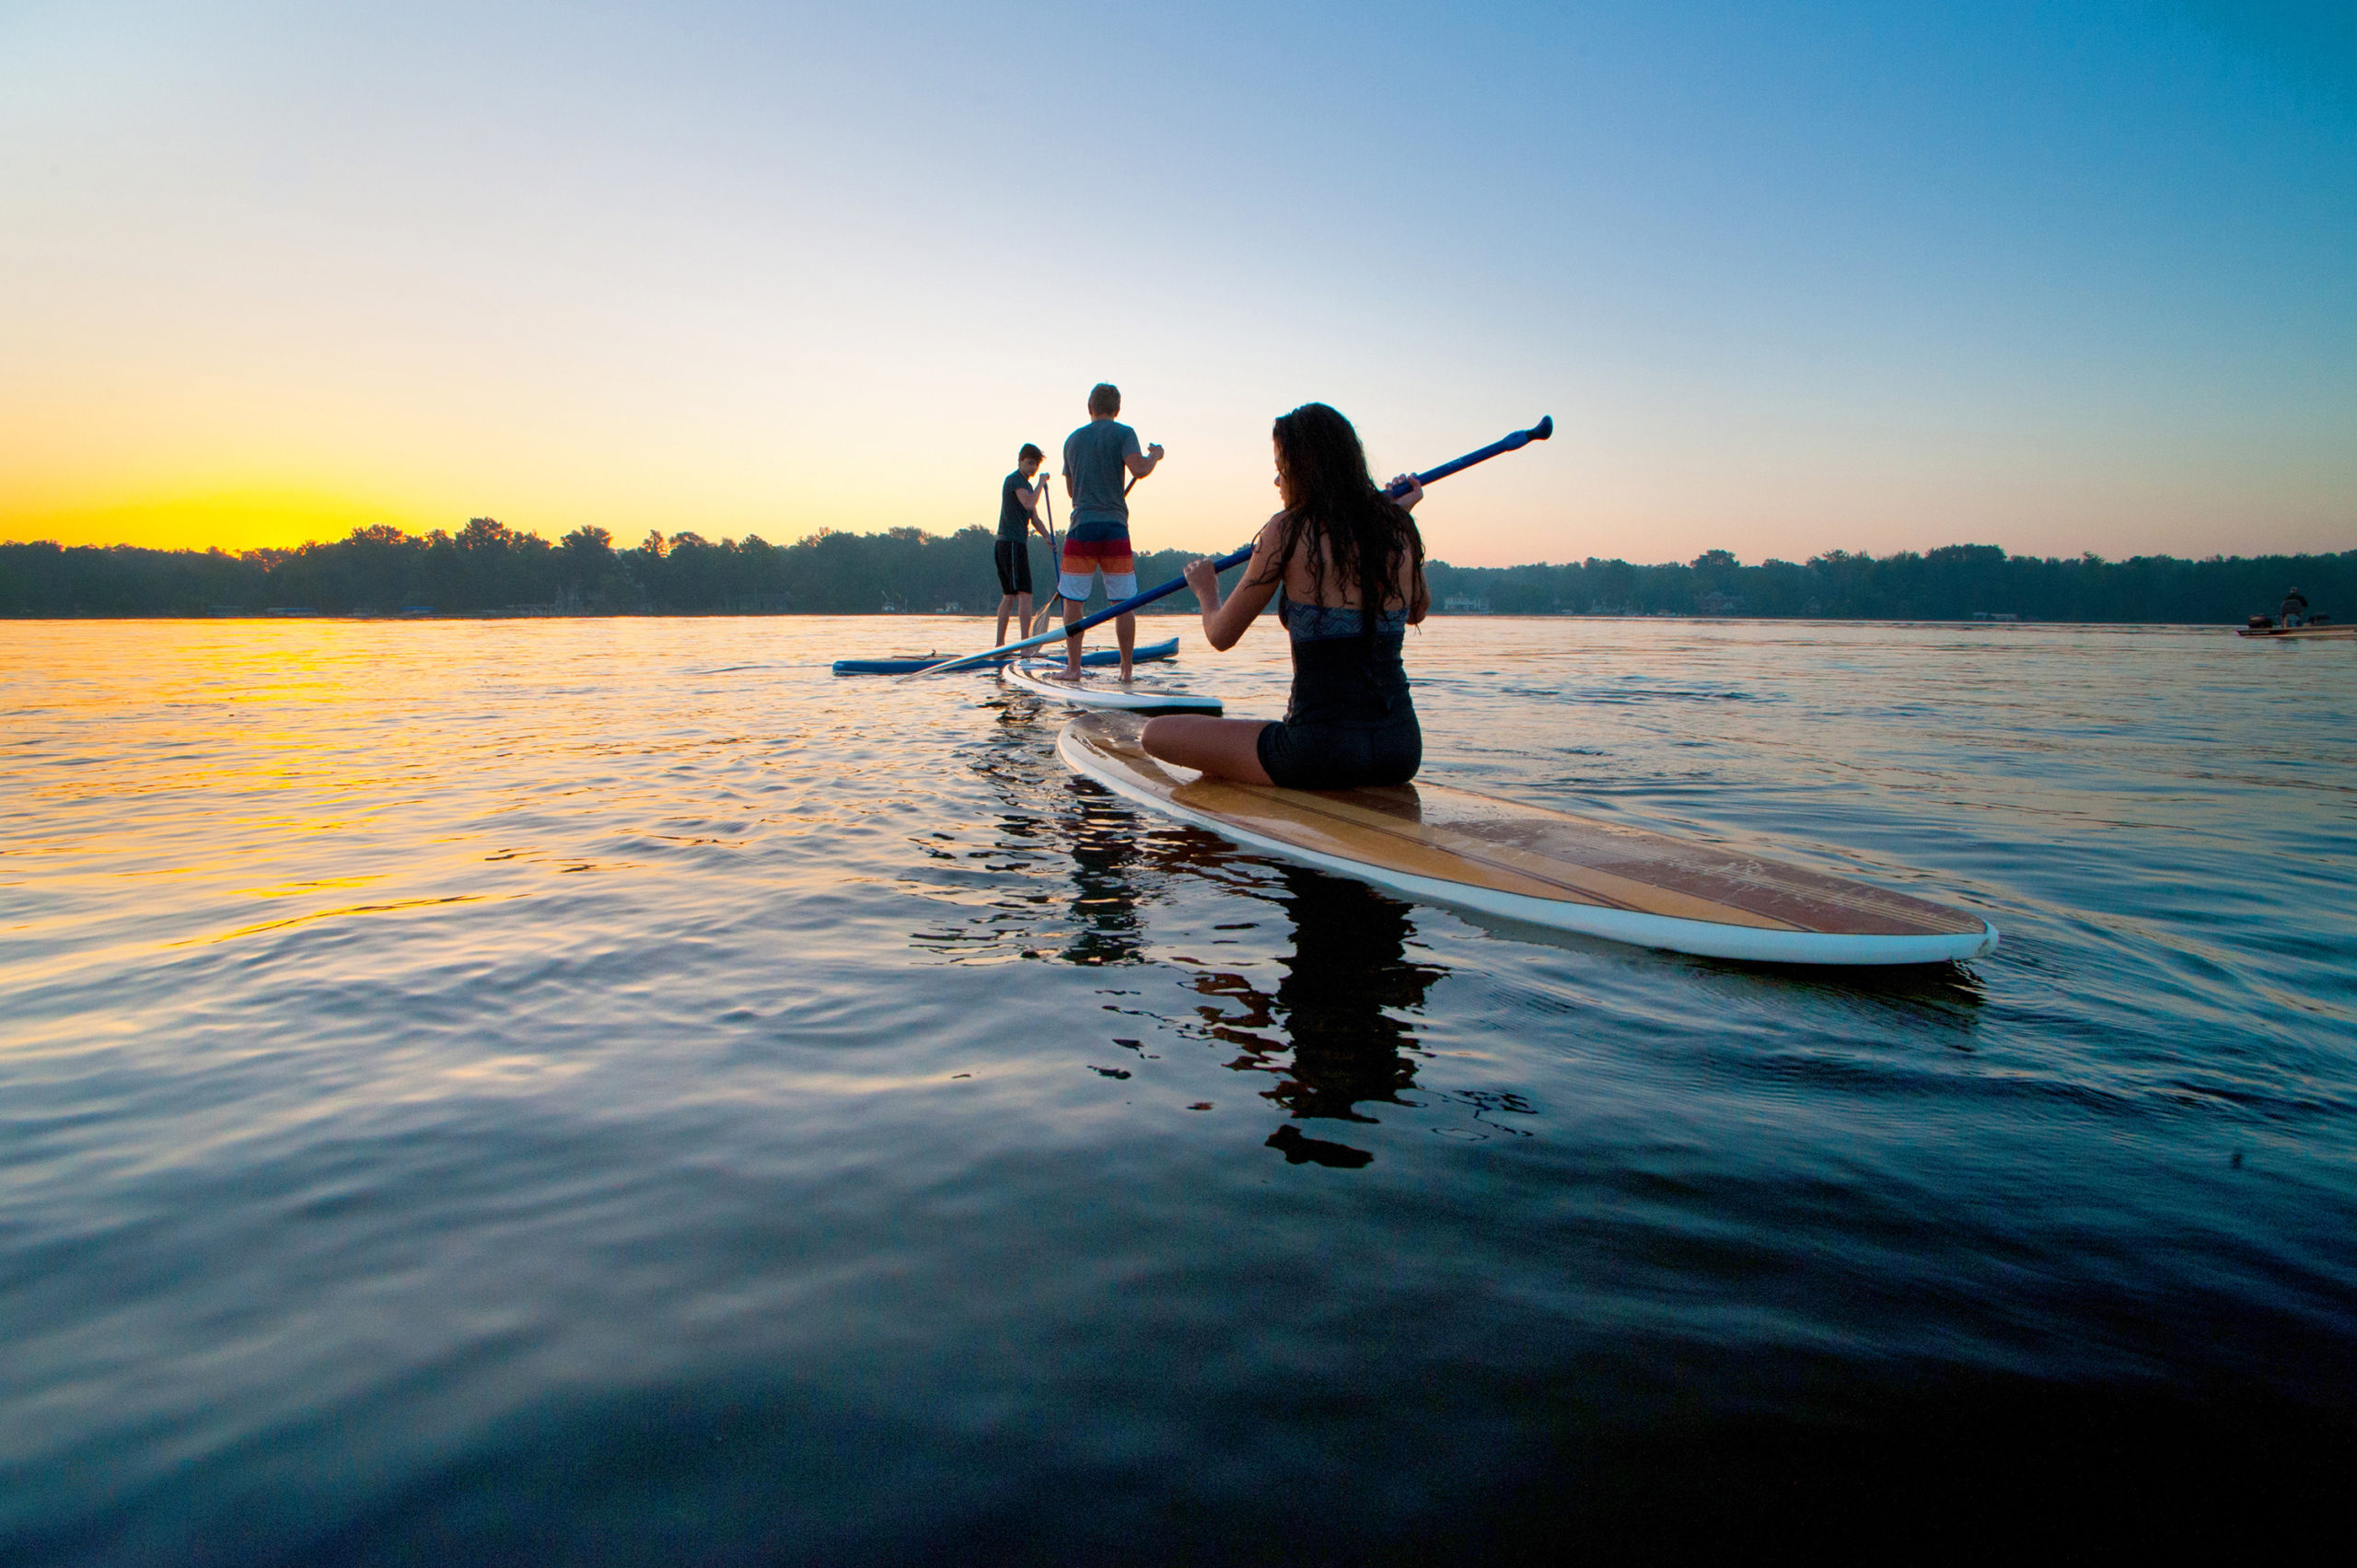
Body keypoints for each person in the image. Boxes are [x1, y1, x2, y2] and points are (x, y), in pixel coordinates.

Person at [1142, 402, 1428, 788]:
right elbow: (1416, 612)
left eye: (1282, 468)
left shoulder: (1286, 531)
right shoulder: (1397, 528)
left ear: (1306, 469)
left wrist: (1206, 591)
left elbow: (1221, 635)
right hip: (1401, 749)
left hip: (1318, 752)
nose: (1278, 482)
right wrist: (1397, 518)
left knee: (1154, 734)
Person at [1054, 383, 1163, 679]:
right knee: (1123, 602)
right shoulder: (1124, 433)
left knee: (1074, 601)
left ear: (1090, 407)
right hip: (1115, 527)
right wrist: (1154, 456)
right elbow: (1139, 469)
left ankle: (1073, 668)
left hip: (1082, 527)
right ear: (1117, 409)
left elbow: (1070, 490)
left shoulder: (1072, 440)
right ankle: (1126, 671)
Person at [993, 444, 1054, 646]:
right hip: (1009, 543)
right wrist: (1041, 483)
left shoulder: (1027, 486)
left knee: (1012, 595)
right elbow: (1029, 503)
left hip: (1016, 544)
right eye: (1029, 463)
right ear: (1020, 461)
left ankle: (1007, 645)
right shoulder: (1015, 481)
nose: (1032, 468)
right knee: (1022, 594)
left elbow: (1033, 517)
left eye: (1035, 465)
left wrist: (1047, 537)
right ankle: (1021, 645)